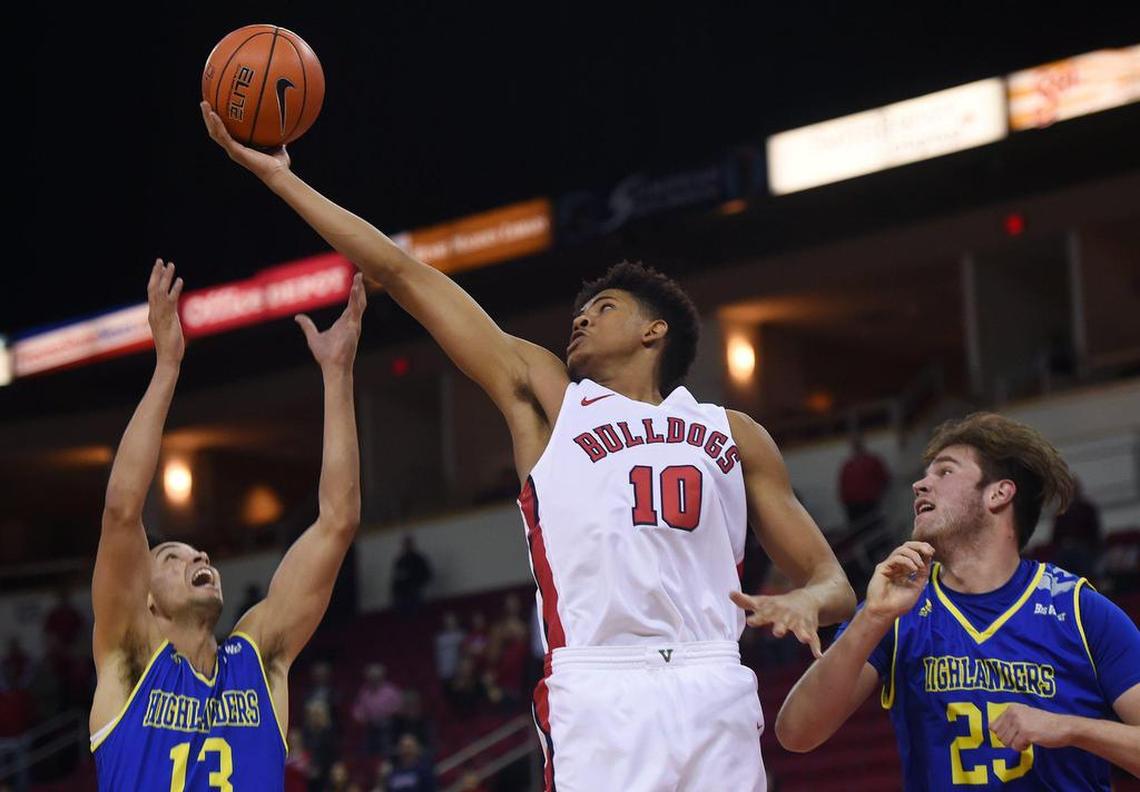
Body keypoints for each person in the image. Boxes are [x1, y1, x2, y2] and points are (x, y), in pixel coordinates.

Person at [203, 105, 854, 792]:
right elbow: (401, 273)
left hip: (714, 676)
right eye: (582, 307)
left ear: (654, 331)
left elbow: (835, 581)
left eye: (604, 307)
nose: (581, 315)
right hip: (601, 687)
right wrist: (283, 181)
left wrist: (808, 602)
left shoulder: (735, 432)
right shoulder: (550, 400)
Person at [89, 262, 367, 789]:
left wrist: (338, 376)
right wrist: (166, 365)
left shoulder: (258, 659)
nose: (199, 559)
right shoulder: (130, 658)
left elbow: (338, 522)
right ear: (147, 600)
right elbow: (122, 510)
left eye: (200, 555)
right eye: (173, 558)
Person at [776, 412, 1140, 788]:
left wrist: (1069, 727)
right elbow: (796, 733)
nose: (920, 485)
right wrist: (872, 618)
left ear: (999, 493)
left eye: (944, 472)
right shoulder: (897, 609)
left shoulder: (1079, 609)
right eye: (925, 474)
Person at [838, 432, 890, 529]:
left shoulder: (872, 461)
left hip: (869, 503)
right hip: (853, 506)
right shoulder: (848, 465)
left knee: (872, 529)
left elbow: (884, 479)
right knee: (861, 532)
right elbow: (843, 487)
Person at [391, 536, 433, 615]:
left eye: (409, 544)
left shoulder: (419, 559)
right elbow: (396, 579)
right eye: (405, 544)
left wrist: (416, 584)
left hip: (415, 591)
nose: (407, 546)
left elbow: (427, 574)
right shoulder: (400, 561)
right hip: (402, 594)